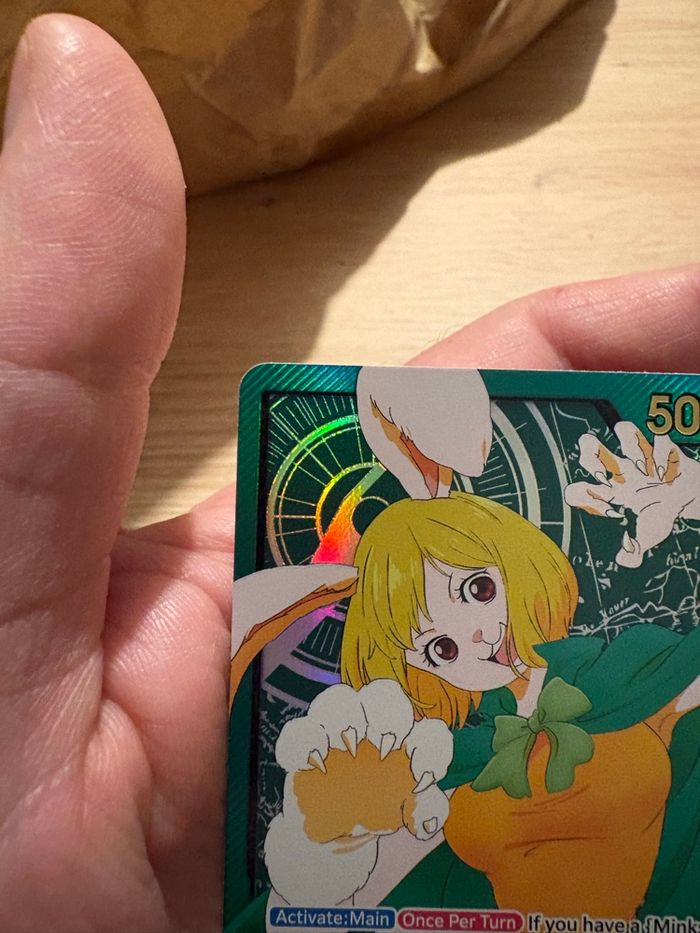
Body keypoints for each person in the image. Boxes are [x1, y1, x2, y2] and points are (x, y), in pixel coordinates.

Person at [1, 13, 699, 933]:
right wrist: (339, 838)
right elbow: (317, 891)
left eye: (475, 589)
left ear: (514, 560)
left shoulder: (611, 662)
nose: (472, 637)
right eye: (435, 648)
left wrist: (683, 514)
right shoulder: (432, 754)